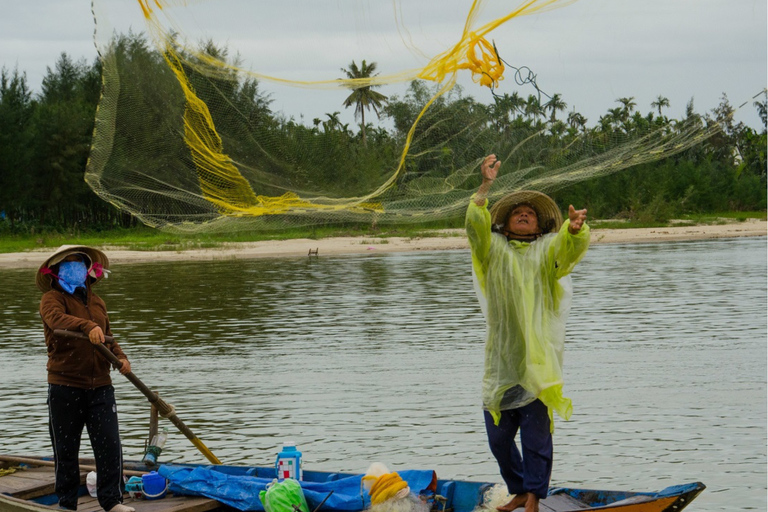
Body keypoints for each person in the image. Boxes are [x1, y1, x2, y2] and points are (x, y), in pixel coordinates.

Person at [465, 155, 589, 512]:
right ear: (504, 223)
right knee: (498, 438)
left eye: (530, 214)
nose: (523, 214)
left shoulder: (547, 250)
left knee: (537, 438)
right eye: (517, 212)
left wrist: (575, 230)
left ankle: (534, 496)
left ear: (538, 225)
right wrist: (485, 187)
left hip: (537, 364)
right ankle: (519, 489)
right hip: (502, 363)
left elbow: (568, 251)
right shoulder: (492, 251)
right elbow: (475, 227)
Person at [37, 245, 135, 512]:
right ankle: (67, 503)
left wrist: (121, 358)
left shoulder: (97, 302)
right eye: (67, 263)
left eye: (78, 262)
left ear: (87, 269)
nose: (74, 267)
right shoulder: (51, 299)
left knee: (110, 445)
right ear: (56, 272)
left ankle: (112, 501)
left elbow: (108, 335)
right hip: (65, 385)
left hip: (101, 386)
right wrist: (86, 325)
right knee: (66, 449)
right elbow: (57, 321)